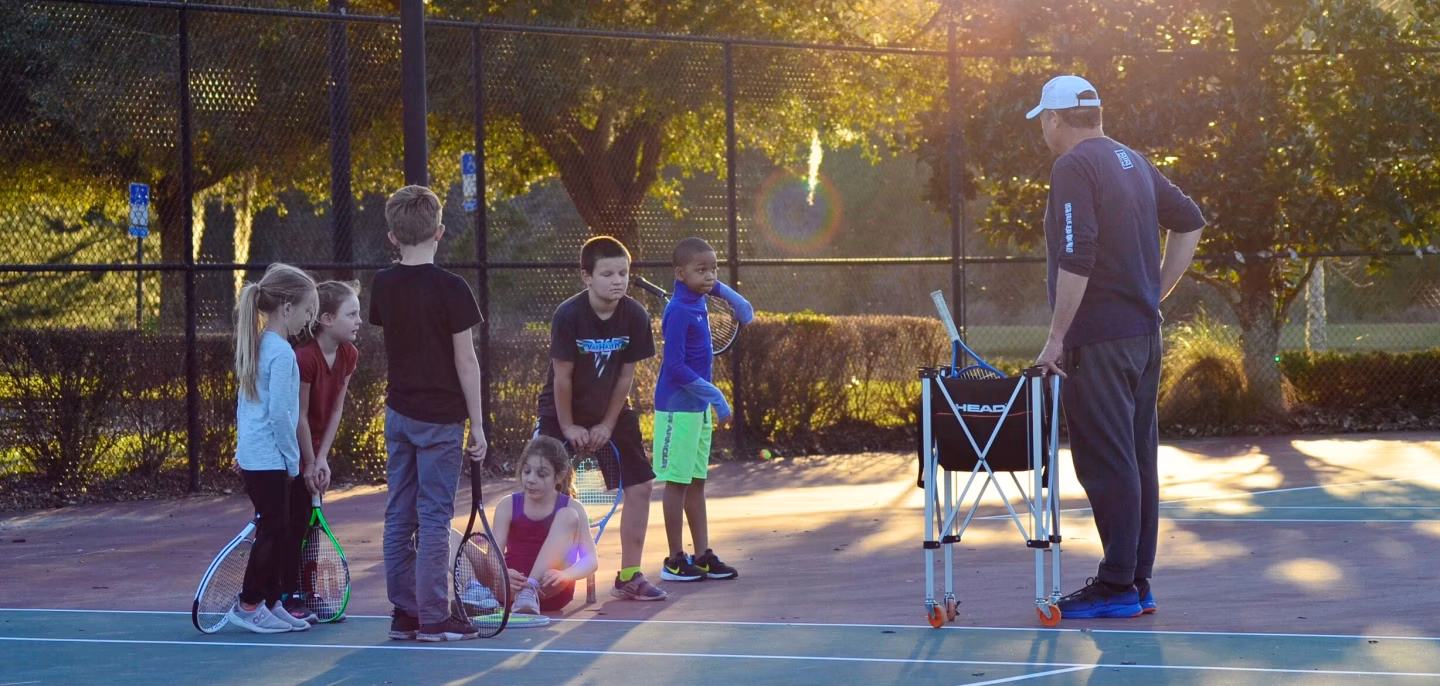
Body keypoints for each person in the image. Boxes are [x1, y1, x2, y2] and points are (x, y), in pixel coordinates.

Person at [1026, 75, 1206, 618]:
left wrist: (1056, 339)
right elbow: (1191, 222)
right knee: (1136, 458)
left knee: (1107, 462)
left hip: (1099, 340)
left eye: (1043, 120)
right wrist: (1153, 292)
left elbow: (1076, 256)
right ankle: (1137, 581)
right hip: (1142, 336)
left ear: (1055, 120)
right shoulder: (1132, 160)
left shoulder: (1073, 167)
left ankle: (1117, 585)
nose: (1043, 129)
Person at [371, 185, 489, 642]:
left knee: (399, 514)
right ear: (440, 232)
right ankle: (435, 618)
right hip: (440, 419)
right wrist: (477, 424)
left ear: (392, 237)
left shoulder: (383, 283)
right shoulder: (452, 288)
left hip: (398, 413)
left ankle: (405, 614)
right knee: (435, 517)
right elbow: (466, 360)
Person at [534, 236, 665, 601]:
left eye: (623, 273)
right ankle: (540, 575)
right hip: (561, 412)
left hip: (612, 412)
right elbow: (562, 377)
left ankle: (629, 575)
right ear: (586, 277)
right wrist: (568, 427)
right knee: (544, 487)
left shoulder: (635, 315)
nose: (617, 280)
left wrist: (607, 425)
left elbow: (625, 377)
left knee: (641, 486)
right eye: (607, 273)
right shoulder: (569, 315)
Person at [652, 237, 753, 582]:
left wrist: (731, 296)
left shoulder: (697, 300)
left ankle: (702, 555)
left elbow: (721, 293)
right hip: (677, 410)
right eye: (702, 270)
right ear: (680, 273)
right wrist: (716, 396)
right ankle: (675, 560)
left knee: (697, 482)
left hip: (698, 410)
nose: (710, 276)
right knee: (676, 483)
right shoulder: (679, 311)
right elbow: (676, 366)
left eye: (714, 269)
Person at [225, 263, 318, 634]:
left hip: (256, 455)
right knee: (274, 529)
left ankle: (271, 601)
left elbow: (246, 406)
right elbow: (281, 414)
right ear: (286, 308)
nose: (309, 319)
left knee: (276, 529)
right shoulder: (281, 354)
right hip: (270, 459)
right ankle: (249, 603)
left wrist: (241, 447)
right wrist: (293, 462)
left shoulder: (260, 346)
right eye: (308, 310)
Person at [281, 280, 362, 624]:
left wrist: (322, 458)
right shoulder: (304, 358)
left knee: (311, 530)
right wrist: (308, 461)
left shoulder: (348, 355)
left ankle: (308, 592)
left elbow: (336, 410)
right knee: (292, 525)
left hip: (314, 454)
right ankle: (286, 595)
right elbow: (298, 415)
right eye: (352, 313)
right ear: (327, 319)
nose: (360, 320)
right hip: (288, 452)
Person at [459, 436, 599, 614]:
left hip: (548, 591)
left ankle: (529, 589)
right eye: (527, 472)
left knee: (568, 516)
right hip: (508, 589)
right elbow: (494, 552)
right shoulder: (507, 504)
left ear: (560, 476)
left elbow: (591, 560)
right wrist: (502, 572)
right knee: (449, 536)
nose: (531, 479)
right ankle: (476, 592)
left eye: (541, 474)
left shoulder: (572, 508)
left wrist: (566, 575)